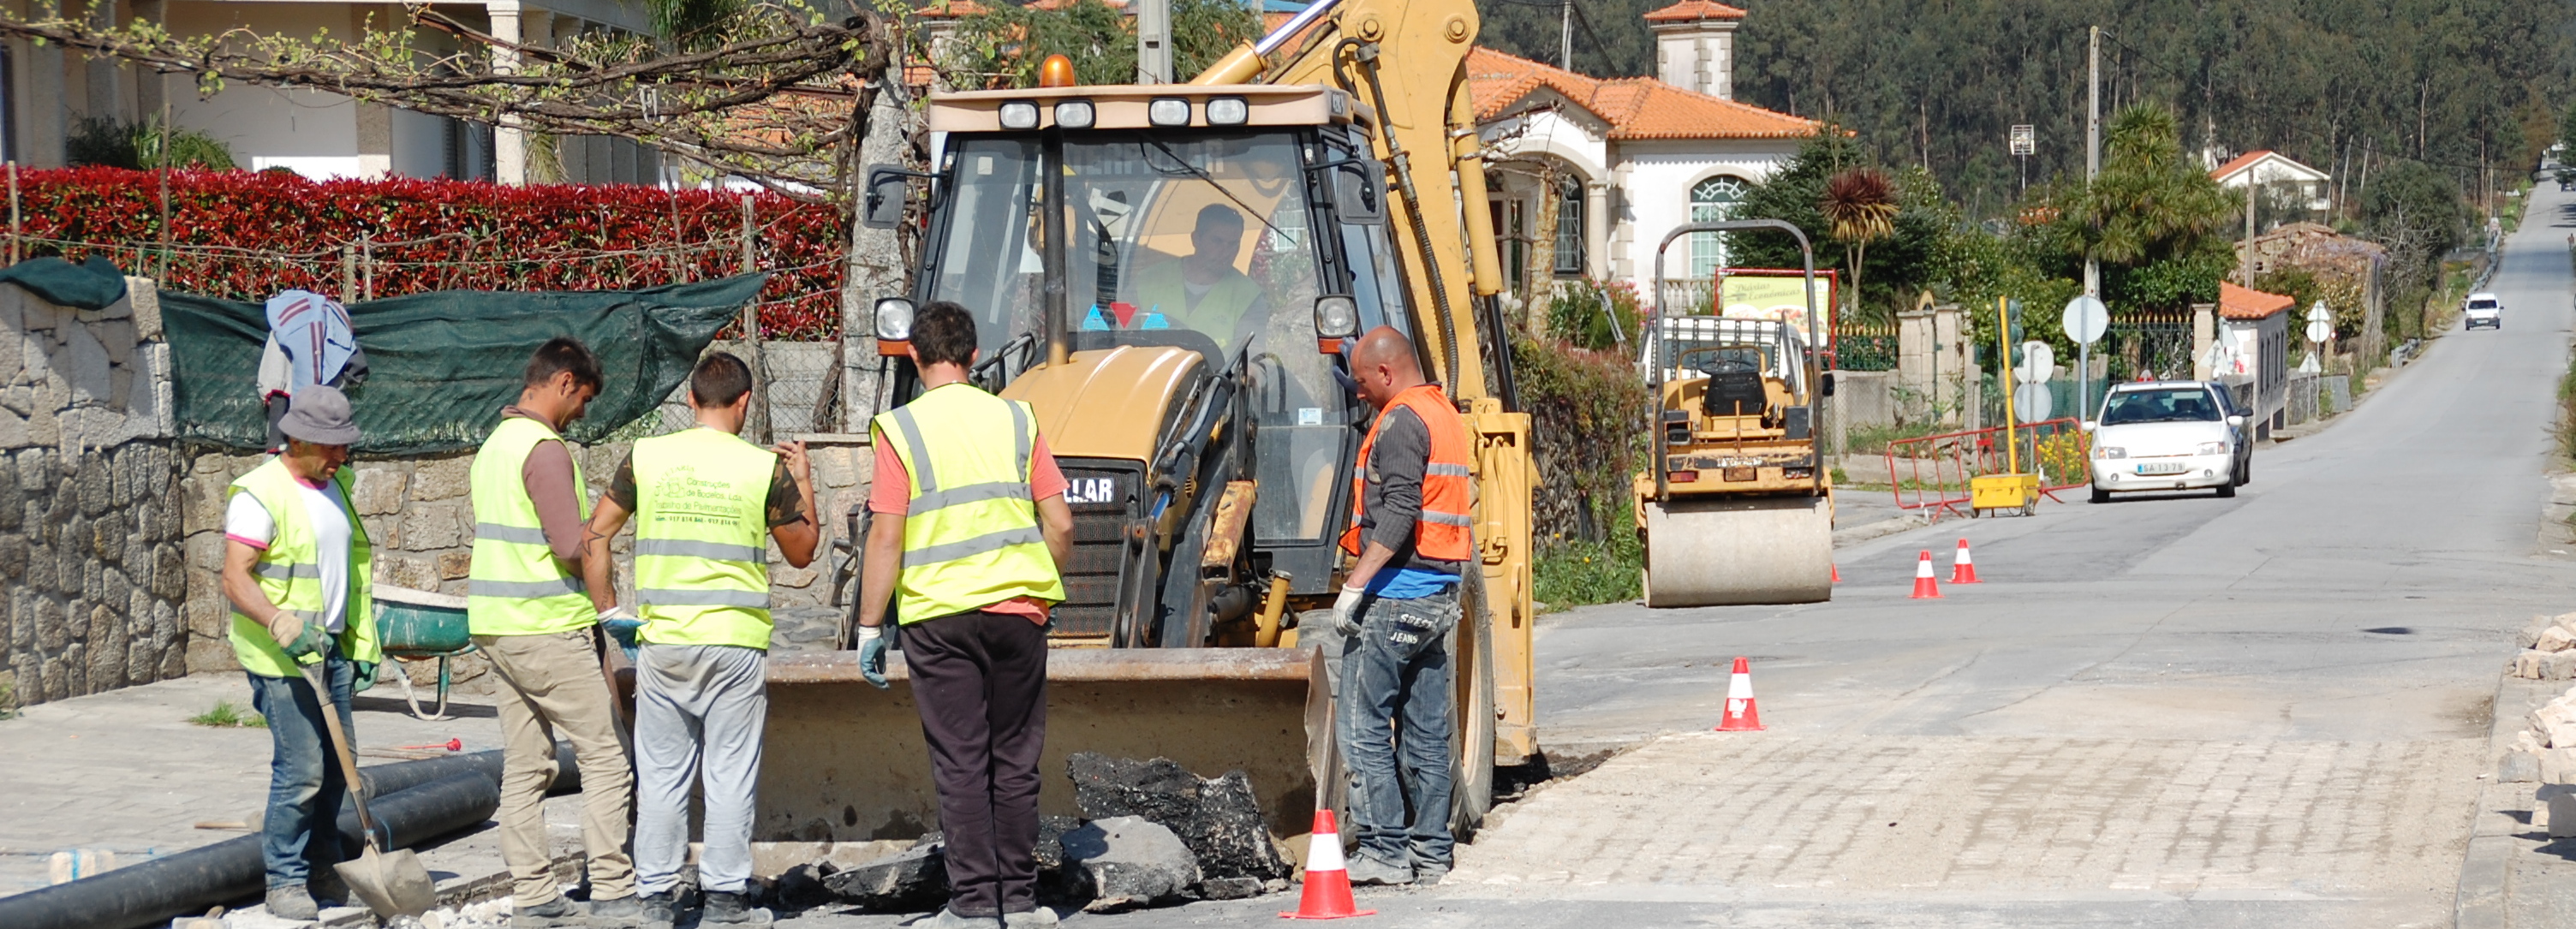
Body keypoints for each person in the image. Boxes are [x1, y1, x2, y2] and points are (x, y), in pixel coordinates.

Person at [582, 351, 820, 929]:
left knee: (661, 772)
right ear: (745, 402)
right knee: (729, 772)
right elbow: (803, 550)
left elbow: (595, 535)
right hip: (735, 644)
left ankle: (657, 897)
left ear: (690, 400)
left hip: (664, 641)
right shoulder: (764, 469)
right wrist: (806, 482)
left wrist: (609, 610)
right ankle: (724, 900)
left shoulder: (647, 457)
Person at [857, 301, 1074, 929]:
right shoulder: (1017, 419)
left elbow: (885, 538)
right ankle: (1023, 901)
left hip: (938, 617)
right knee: (1014, 758)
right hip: (1018, 613)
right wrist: (1043, 592)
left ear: (914, 357)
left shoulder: (900, 429)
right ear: (975, 356)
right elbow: (1060, 521)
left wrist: (871, 625)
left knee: (961, 759)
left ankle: (975, 904)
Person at [465, 337, 640, 928]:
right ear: (564, 382)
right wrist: (604, 534)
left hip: (497, 625)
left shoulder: (494, 444)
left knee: (526, 762)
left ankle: (534, 894)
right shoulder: (545, 448)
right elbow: (569, 544)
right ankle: (615, 889)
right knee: (609, 755)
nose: (583, 412)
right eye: (583, 398)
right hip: (545, 625)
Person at [218, 384, 381, 920]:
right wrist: (280, 623)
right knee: (303, 769)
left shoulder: (337, 486)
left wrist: (356, 644)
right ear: (300, 439)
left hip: (328, 651)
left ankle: (324, 867)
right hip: (281, 657)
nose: (342, 456)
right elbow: (235, 579)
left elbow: (348, 575)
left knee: (340, 766)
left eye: (344, 446)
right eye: (333, 447)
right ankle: (284, 881)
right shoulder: (259, 494)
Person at [1330, 326, 1474, 887]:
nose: (1359, 393)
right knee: (1425, 730)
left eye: (1362, 381)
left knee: (1363, 724)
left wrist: (1355, 586)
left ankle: (1384, 848)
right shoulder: (1443, 414)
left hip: (1394, 596)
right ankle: (1431, 852)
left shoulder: (1399, 422)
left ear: (1386, 373)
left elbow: (1398, 511)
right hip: (1438, 596)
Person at [1130, 204, 1266, 340]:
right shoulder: (1147, 281)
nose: (1226, 252)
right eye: (1217, 241)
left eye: (1233, 244)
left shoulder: (1248, 297)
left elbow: (1251, 356)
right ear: (1196, 239)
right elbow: (1119, 336)